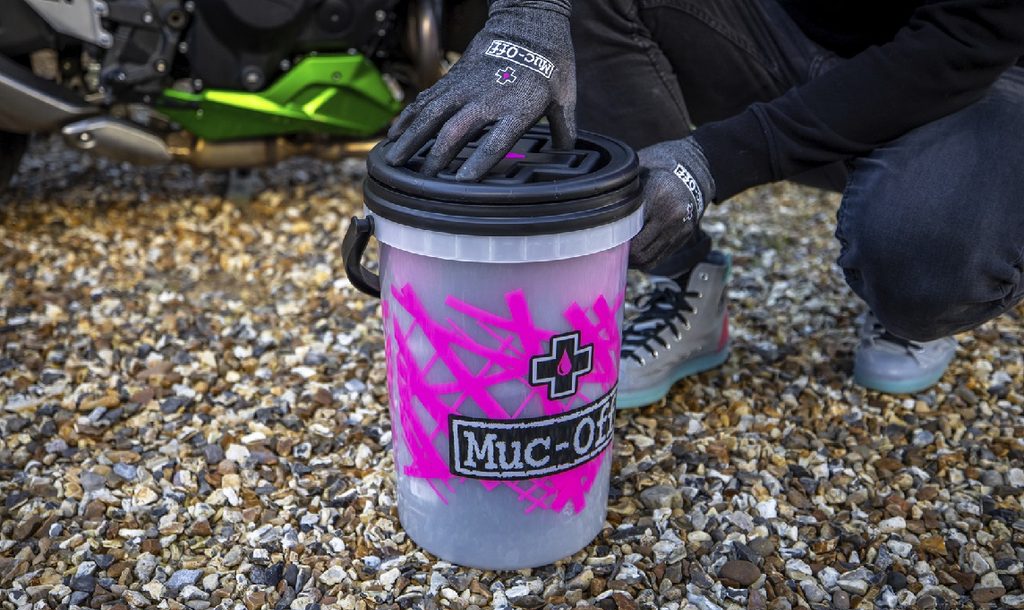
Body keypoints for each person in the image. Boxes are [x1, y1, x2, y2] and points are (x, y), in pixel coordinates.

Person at [384, 0, 1024, 408]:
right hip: (784, 30)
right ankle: (682, 277)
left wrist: (717, 158)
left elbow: (965, 39)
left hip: (978, 75)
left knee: (926, 264)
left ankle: (915, 240)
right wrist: (526, 21)